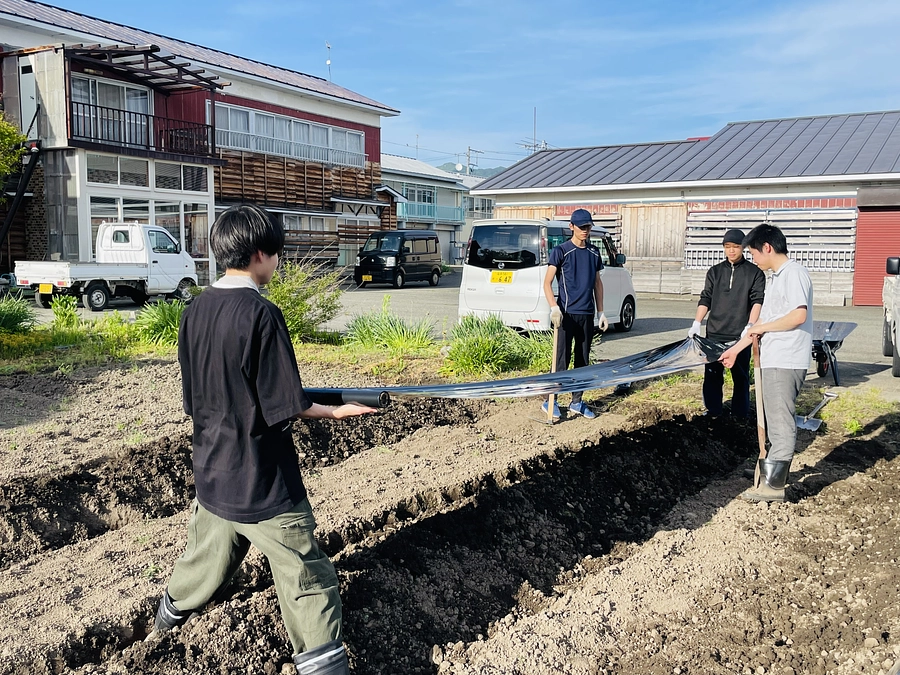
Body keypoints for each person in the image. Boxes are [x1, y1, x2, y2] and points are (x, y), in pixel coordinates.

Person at [152, 204, 375, 675]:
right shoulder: (261, 314)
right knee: (304, 573)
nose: (278, 263)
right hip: (263, 477)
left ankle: (165, 624)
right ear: (259, 254)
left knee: (204, 559)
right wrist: (335, 409)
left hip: (212, 467)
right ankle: (325, 666)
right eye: (276, 254)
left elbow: (196, 393)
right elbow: (285, 403)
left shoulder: (195, 309)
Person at [720, 223, 813, 503]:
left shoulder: (793, 274)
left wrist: (764, 328)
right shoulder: (776, 278)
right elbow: (760, 324)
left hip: (785, 359)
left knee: (780, 421)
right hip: (774, 358)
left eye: (753, 253)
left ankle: (773, 486)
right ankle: (772, 467)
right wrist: (736, 349)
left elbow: (798, 316)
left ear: (767, 248)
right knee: (772, 419)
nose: (753, 259)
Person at [688, 228, 765, 418]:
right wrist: (697, 322)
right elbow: (705, 298)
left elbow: (757, 300)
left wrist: (750, 325)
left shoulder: (754, 273)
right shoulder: (715, 272)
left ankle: (740, 414)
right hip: (714, 333)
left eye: (736, 247)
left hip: (739, 336)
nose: (731, 251)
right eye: (727, 247)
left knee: (741, 377)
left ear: (743, 248)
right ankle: (713, 411)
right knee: (712, 376)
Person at [542, 208, 607, 420]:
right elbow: (547, 282)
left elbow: (598, 283)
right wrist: (554, 307)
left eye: (588, 227)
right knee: (562, 359)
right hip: (566, 314)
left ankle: (577, 401)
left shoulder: (594, 253)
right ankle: (551, 400)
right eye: (581, 227)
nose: (586, 231)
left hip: (586, 314)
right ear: (572, 227)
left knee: (583, 360)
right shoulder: (561, 251)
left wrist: (601, 311)